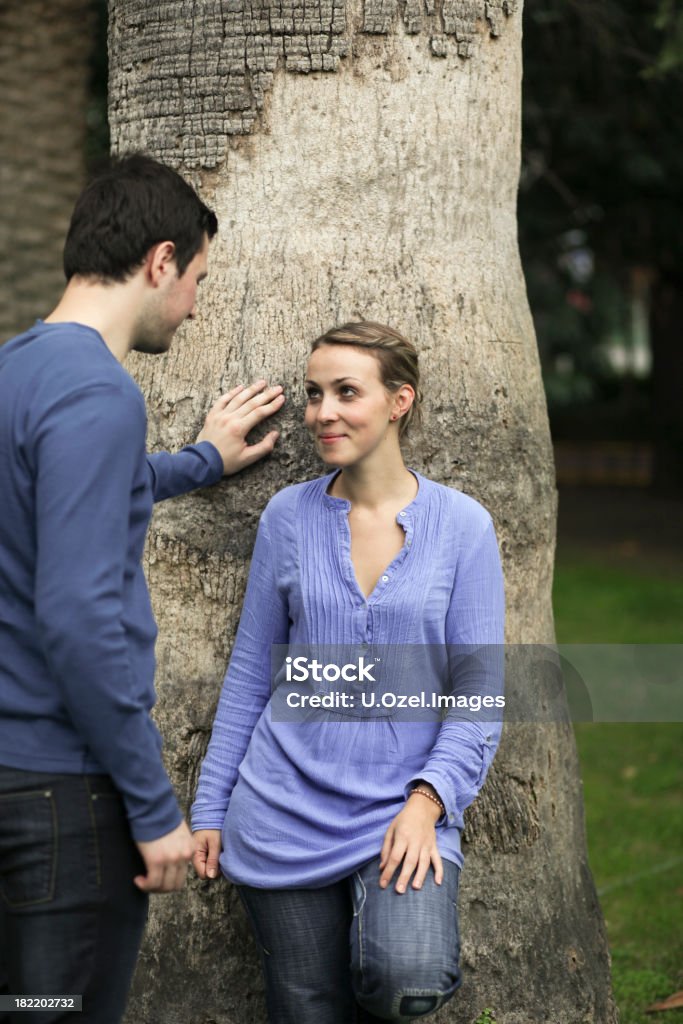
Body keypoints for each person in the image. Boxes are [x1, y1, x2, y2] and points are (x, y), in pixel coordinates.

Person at [0, 154, 285, 1023]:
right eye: (196, 279)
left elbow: (56, 493)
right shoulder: (99, 392)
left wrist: (199, 461)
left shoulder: (16, 368)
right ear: (161, 261)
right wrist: (155, 809)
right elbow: (81, 618)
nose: (195, 306)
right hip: (61, 804)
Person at [191, 321, 505, 1024]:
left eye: (344, 392)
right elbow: (250, 675)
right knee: (305, 1008)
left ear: (399, 401)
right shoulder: (287, 517)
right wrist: (211, 807)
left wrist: (427, 803)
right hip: (281, 806)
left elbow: (479, 694)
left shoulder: (462, 526)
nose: (321, 412)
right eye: (312, 394)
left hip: (401, 810)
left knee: (406, 980)